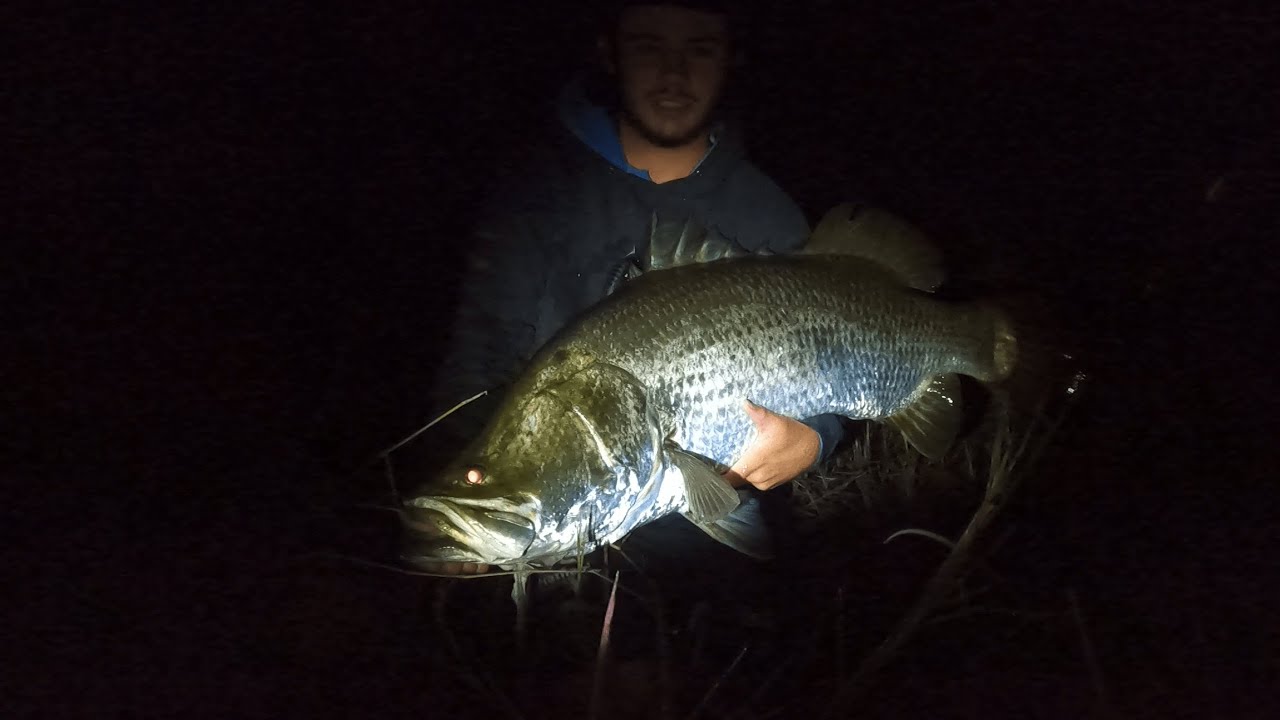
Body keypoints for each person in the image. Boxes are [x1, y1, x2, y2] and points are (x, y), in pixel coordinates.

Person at [424, 1, 847, 576]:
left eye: (699, 49)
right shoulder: (537, 195)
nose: (674, 74)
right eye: (649, 46)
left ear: (730, 61)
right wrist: (463, 475)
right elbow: (482, 348)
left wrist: (815, 440)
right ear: (610, 54)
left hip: (708, 543)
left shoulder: (766, 213)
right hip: (567, 524)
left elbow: (838, 355)